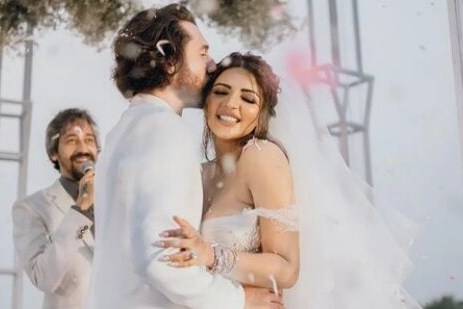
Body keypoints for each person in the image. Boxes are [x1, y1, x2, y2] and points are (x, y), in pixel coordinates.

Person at [158, 52, 423, 308]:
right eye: (221, 91)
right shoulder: (201, 173)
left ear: (262, 113)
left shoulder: (260, 156)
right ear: (207, 101)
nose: (231, 104)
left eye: (248, 99)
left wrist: (211, 255)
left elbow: (287, 268)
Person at [86, 4, 283, 309]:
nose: (213, 64)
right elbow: (159, 258)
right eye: (202, 53)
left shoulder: (124, 130)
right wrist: (240, 299)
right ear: (168, 63)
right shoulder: (163, 131)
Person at [12, 108, 99, 309]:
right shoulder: (31, 208)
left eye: (89, 140)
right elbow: (44, 278)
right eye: (72, 140)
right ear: (53, 153)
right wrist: (81, 209)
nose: (83, 148)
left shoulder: (119, 200)